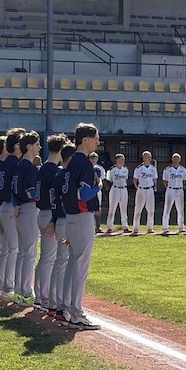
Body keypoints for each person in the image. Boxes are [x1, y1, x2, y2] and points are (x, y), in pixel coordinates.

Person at [59, 122, 102, 330]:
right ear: (85, 139)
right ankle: (76, 312)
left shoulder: (71, 162)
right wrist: (99, 186)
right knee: (80, 266)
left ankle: (66, 307)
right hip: (83, 216)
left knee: (71, 264)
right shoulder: (84, 163)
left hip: (70, 217)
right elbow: (85, 194)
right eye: (95, 138)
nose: (98, 142)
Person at [35, 134, 68, 312]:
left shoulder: (41, 168)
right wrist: (54, 220)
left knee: (45, 258)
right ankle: (46, 298)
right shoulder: (54, 170)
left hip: (41, 213)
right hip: (50, 215)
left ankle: (41, 296)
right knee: (51, 259)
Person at [0, 129, 24, 300]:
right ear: (17, 145)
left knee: (5, 249)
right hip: (11, 207)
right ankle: (8, 287)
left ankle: (0, 285)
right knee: (14, 249)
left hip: (1, 206)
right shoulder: (16, 164)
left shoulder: (1, 165)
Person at [47, 143, 77, 319]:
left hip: (58, 220)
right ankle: (61, 306)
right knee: (66, 264)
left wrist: (53, 219)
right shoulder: (67, 175)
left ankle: (54, 304)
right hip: (66, 221)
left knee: (59, 263)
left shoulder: (58, 175)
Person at [13, 132, 42, 306]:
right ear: (29, 146)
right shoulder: (29, 167)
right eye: (37, 144)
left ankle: (19, 290)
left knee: (23, 252)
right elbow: (32, 192)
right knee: (29, 253)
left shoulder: (18, 165)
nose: (39, 147)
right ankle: (24, 292)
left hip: (21, 208)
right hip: (30, 208)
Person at [132, 151, 158, 235]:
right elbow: (135, 180)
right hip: (141, 189)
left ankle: (150, 227)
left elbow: (154, 179)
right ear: (143, 158)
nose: (148, 158)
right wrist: (138, 188)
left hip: (150, 189)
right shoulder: (139, 168)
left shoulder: (153, 168)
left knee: (151, 210)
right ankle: (136, 227)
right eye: (146, 157)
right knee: (138, 209)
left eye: (149, 157)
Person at [162, 153, 186, 233]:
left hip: (179, 190)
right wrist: (169, 187)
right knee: (167, 208)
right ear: (172, 159)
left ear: (180, 160)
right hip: (170, 190)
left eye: (177, 158)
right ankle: (165, 227)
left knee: (180, 209)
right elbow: (164, 180)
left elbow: (184, 180)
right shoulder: (167, 169)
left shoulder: (183, 169)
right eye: (174, 158)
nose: (176, 160)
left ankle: (181, 226)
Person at [105, 153, 130, 233]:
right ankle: (110, 226)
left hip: (123, 189)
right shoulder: (112, 169)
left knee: (124, 208)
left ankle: (125, 226)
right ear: (117, 160)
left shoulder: (125, 169)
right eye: (121, 159)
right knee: (112, 208)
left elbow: (126, 179)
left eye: (123, 159)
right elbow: (108, 180)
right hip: (115, 189)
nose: (123, 161)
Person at [89, 152, 105, 233]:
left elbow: (100, 179)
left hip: (97, 190)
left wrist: (100, 185)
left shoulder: (99, 169)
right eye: (92, 158)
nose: (93, 160)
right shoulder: (87, 168)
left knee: (98, 208)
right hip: (89, 190)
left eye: (95, 158)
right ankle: (90, 225)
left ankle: (98, 226)